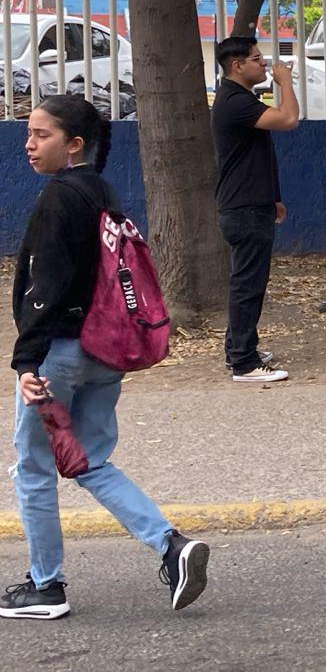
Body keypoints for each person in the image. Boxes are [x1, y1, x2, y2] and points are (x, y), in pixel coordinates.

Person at [4, 95, 210, 619]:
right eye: (28, 133)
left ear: (74, 145)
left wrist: (27, 363)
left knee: (33, 467)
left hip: (59, 356)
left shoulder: (59, 198)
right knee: (91, 459)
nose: (29, 144)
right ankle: (171, 545)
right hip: (105, 350)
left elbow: (45, 287)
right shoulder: (102, 191)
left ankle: (45, 587)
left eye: (42, 135)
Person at [211, 35, 297, 383]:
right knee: (247, 284)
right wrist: (286, 83)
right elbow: (288, 119)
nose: (263, 64)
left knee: (249, 281)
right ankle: (244, 363)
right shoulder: (234, 101)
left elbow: (257, 153)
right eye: (257, 59)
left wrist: (273, 195)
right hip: (243, 207)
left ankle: (240, 347)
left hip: (252, 202)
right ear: (237, 66)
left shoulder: (239, 99)